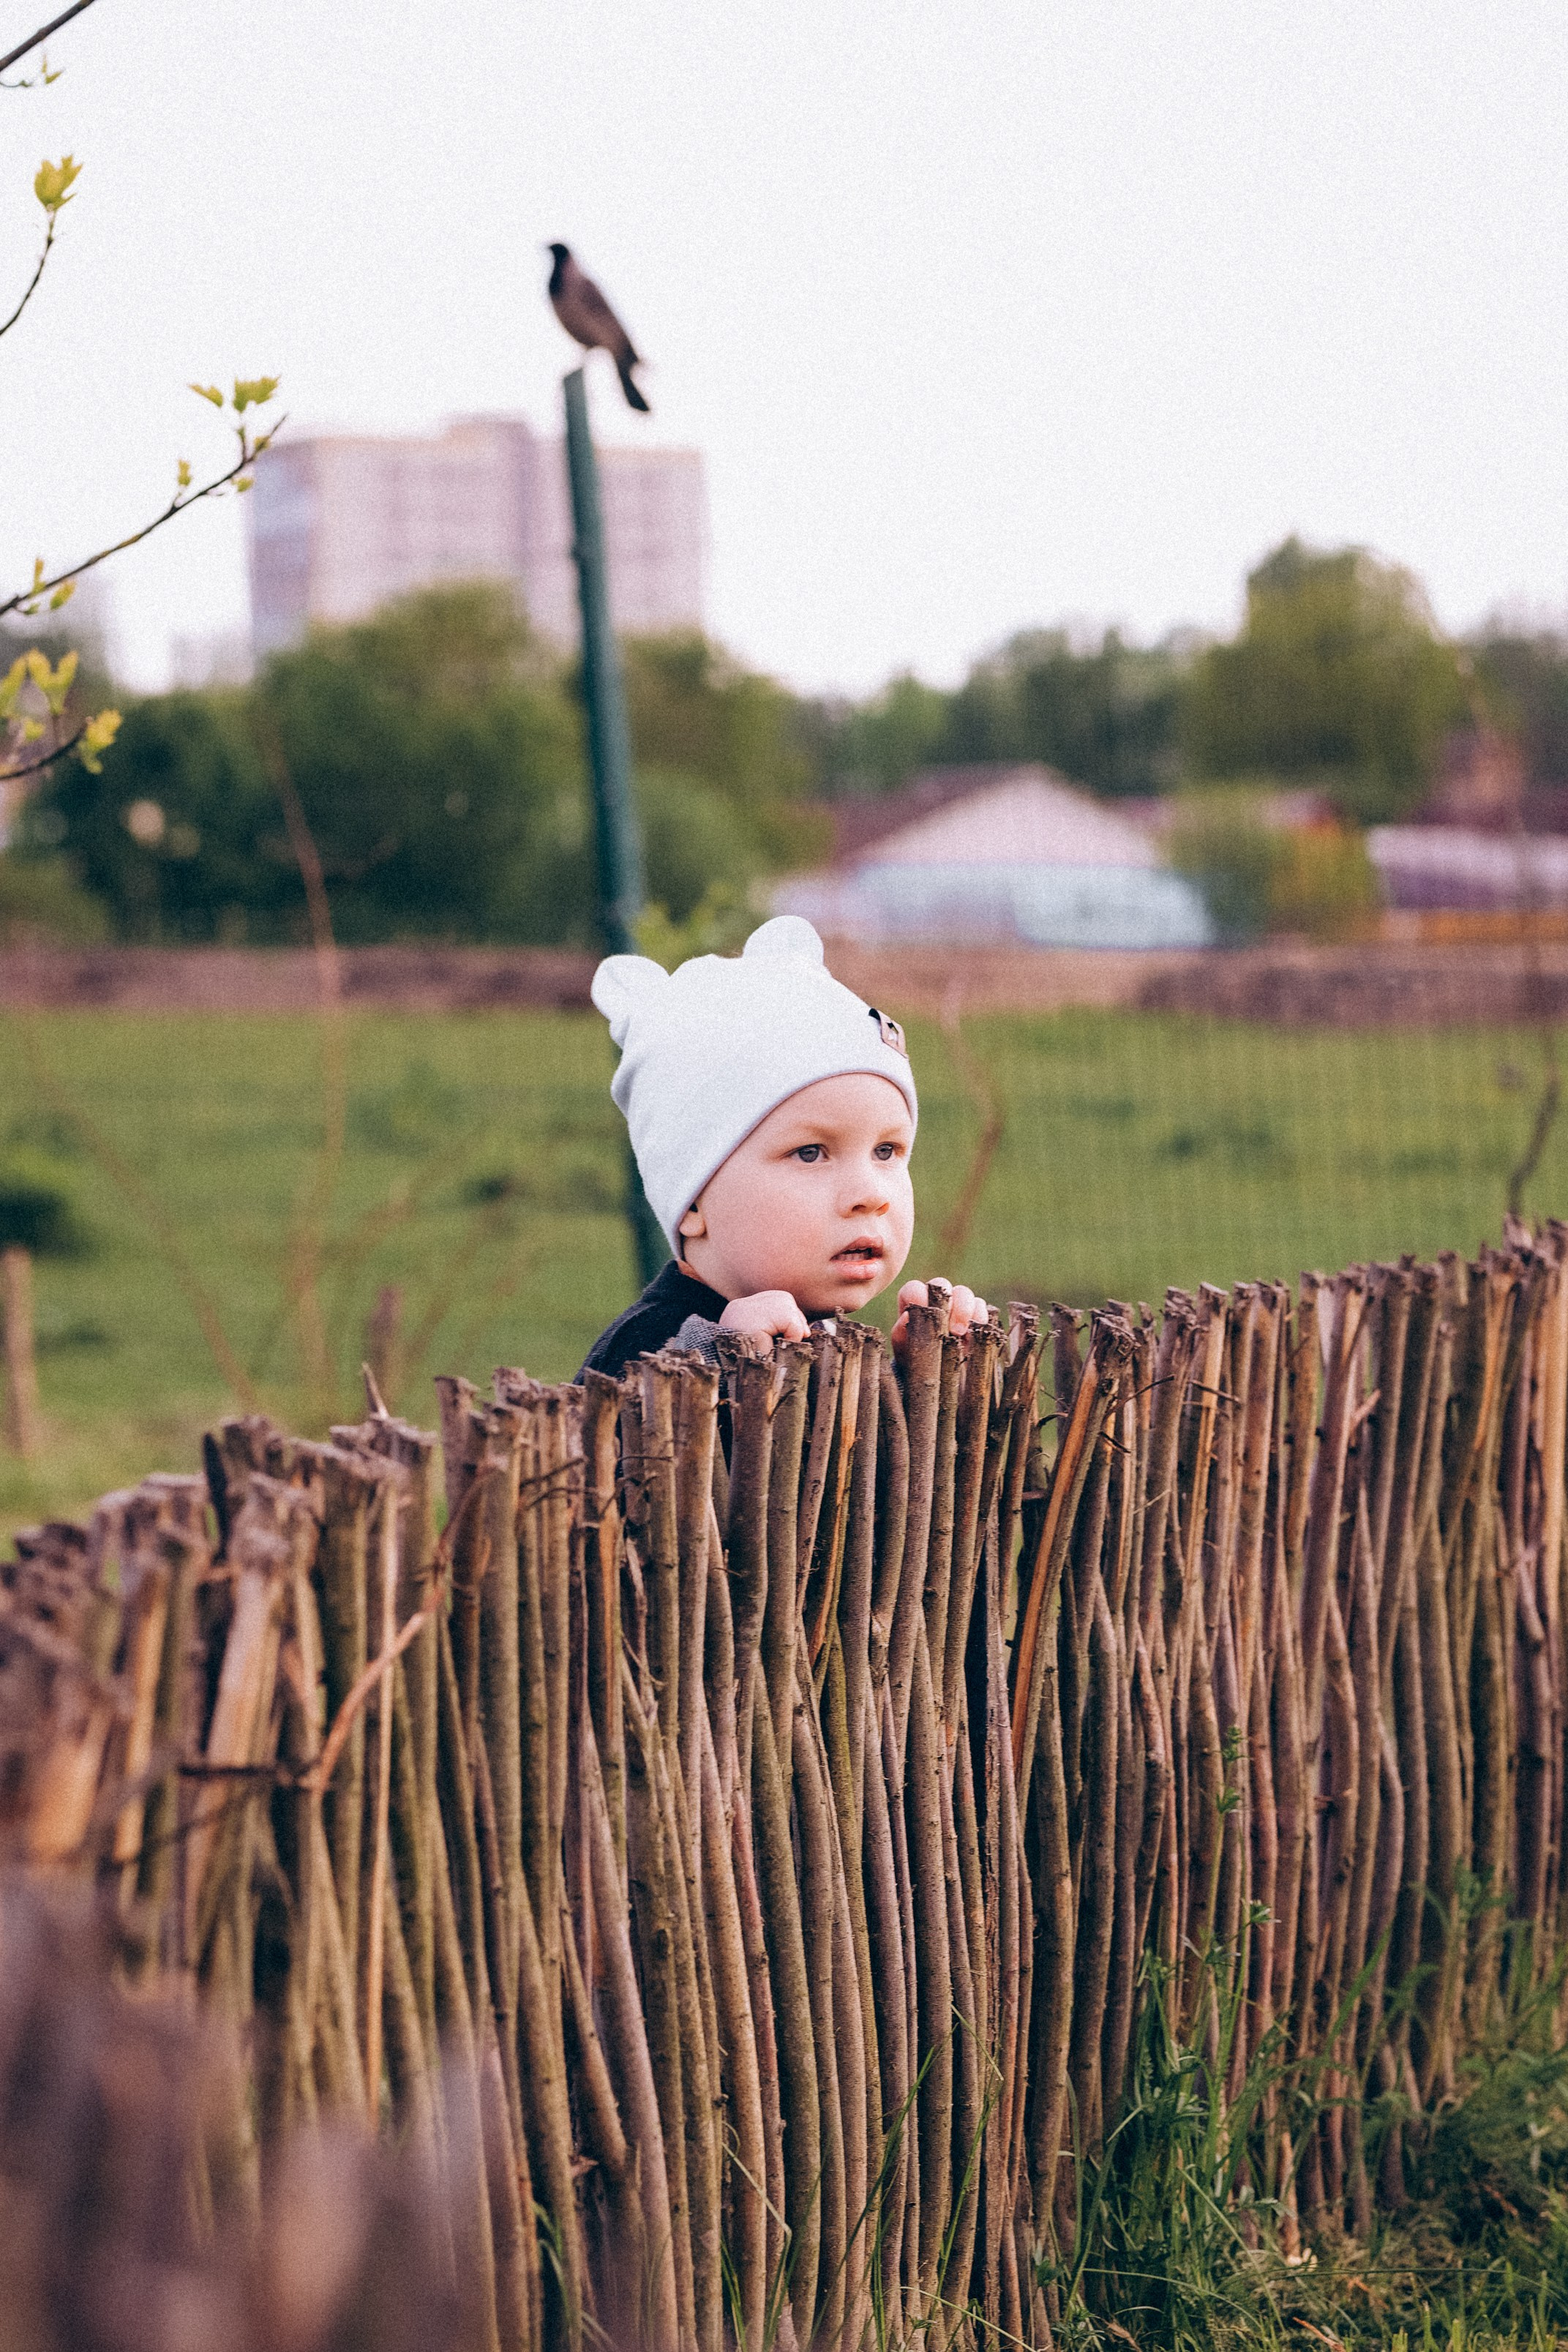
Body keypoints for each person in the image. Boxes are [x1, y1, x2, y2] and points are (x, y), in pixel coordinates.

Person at [579, 915, 986, 1378]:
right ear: (692, 1200)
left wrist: (924, 1376)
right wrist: (720, 1361)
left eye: (886, 1150)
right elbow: (617, 1421)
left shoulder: (825, 1332)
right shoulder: (646, 1343)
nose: (871, 1195)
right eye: (811, 1153)